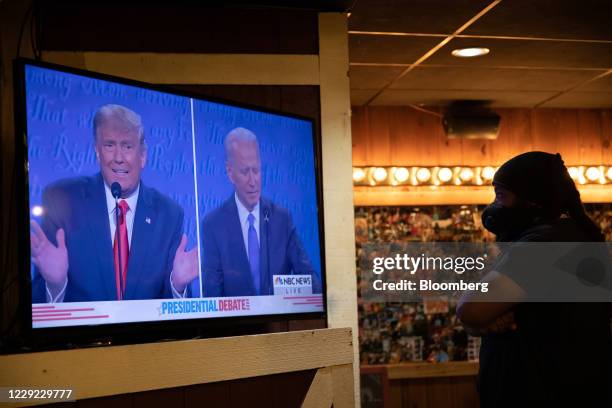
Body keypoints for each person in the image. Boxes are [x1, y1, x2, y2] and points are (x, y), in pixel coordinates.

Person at [457, 151, 612, 407]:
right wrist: (482, 323)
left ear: (532, 199)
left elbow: (470, 309)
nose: (495, 207)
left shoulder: (546, 244)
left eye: (501, 196)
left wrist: (478, 321)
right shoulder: (573, 237)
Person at [30, 104, 198, 302]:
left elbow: (172, 316)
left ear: (143, 155)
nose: (119, 158)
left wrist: (177, 285)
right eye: (109, 145)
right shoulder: (62, 199)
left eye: (127, 146)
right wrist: (55, 284)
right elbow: (37, 309)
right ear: (97, 151)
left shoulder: (168, 214)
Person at [201, 127, 322, 297]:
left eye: (256, 170)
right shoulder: (213, 225)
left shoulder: (282, 219)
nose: (253, 182)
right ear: (230, 172)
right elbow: (212, 296)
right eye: (245, 172)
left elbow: (311, 279)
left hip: (278, 322)